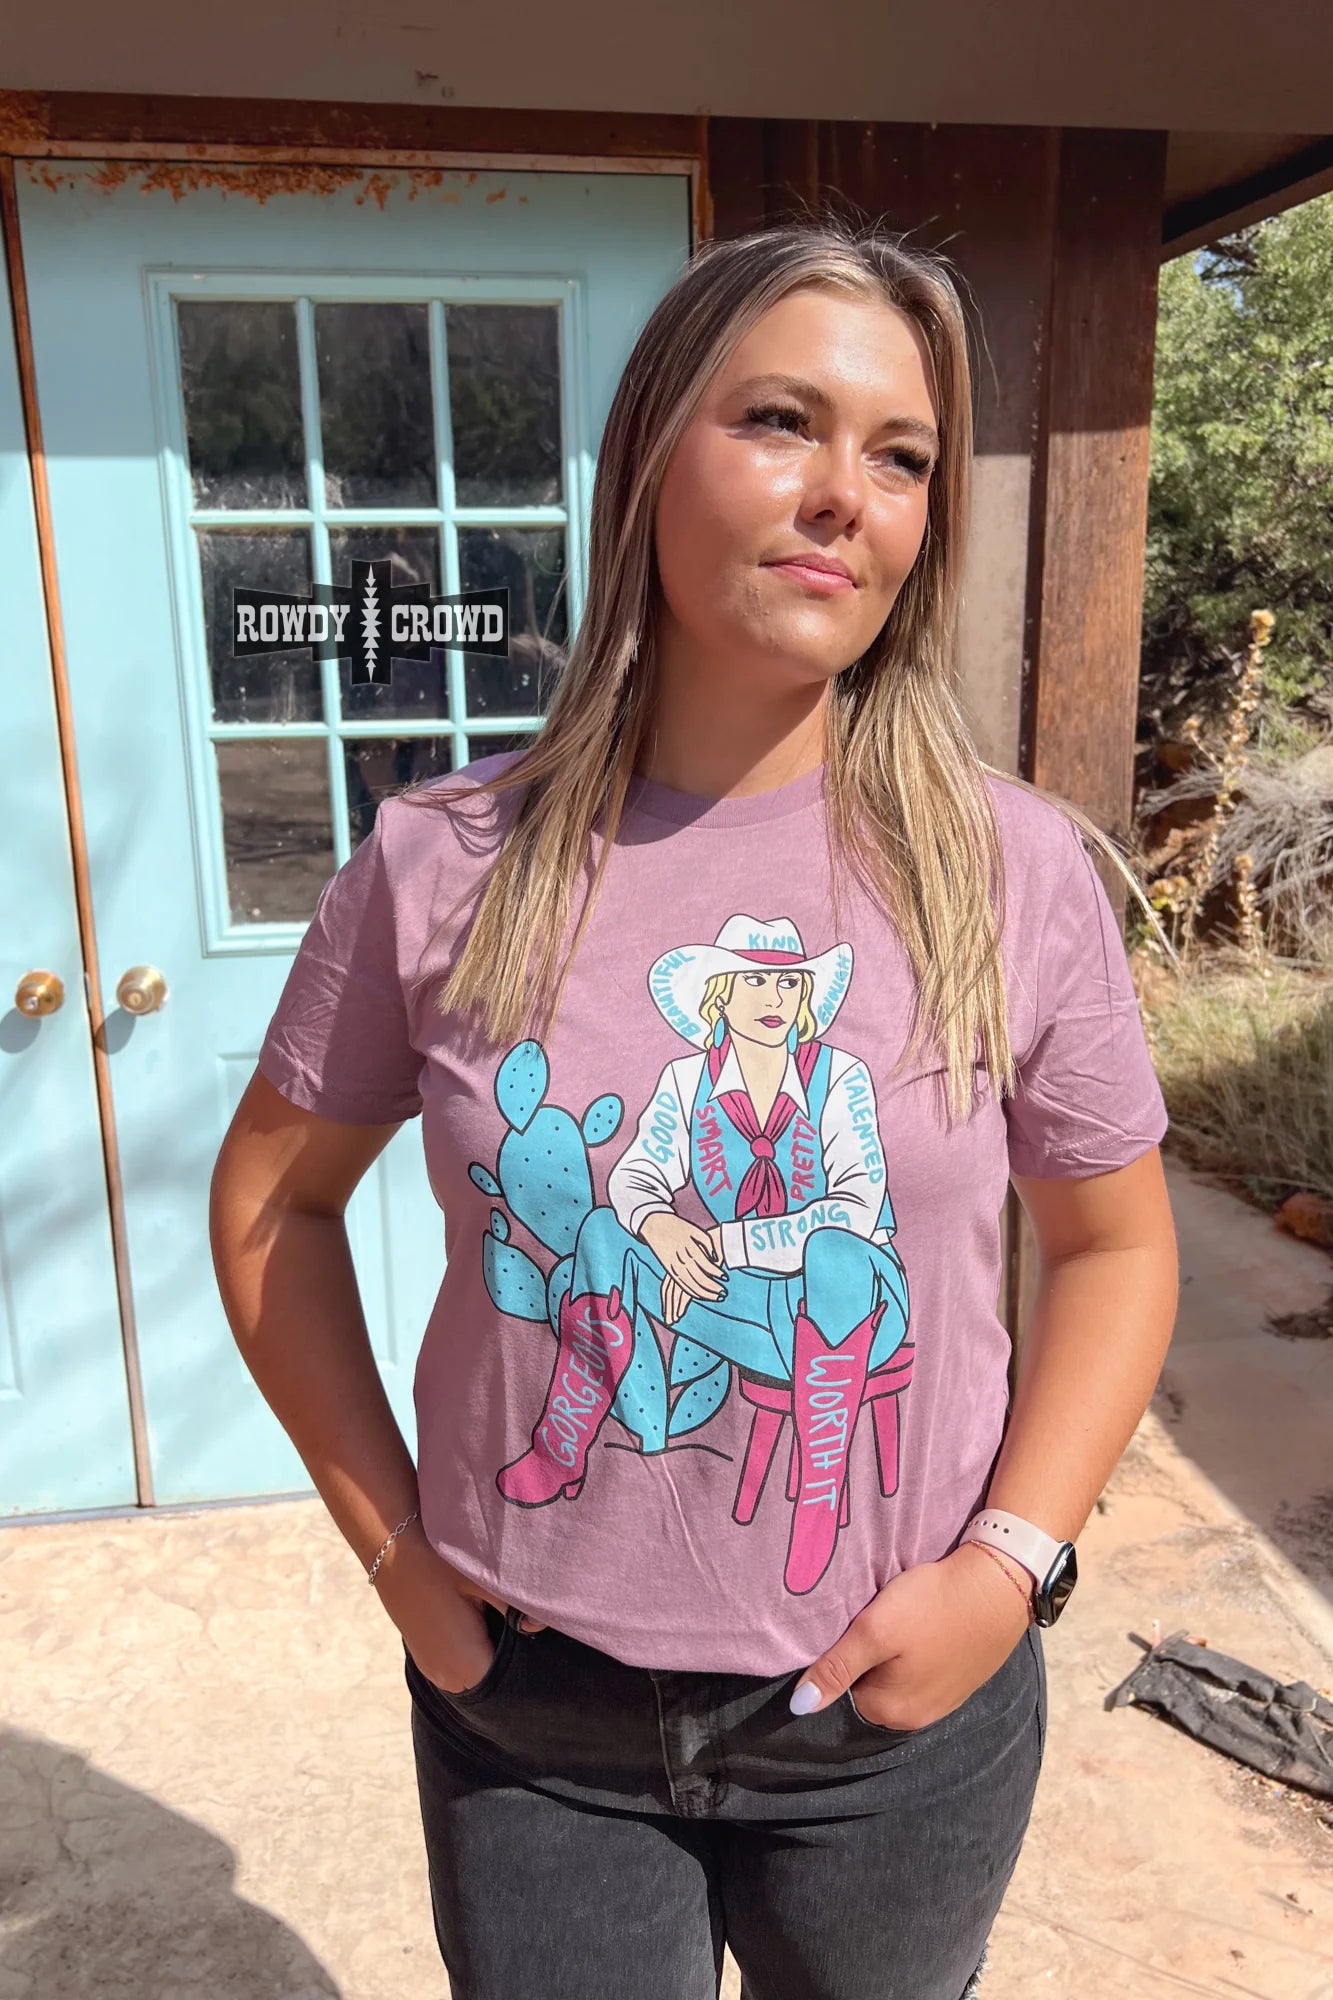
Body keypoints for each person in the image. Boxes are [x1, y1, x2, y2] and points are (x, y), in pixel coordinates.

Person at [210, 214, 1180, 2000]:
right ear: (652, 452)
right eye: (780, 422)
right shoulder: (444, 863)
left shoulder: (1009, 872)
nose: (843, 495)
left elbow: (1113, 1247)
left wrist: (1008, 1567)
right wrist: (399, 1559)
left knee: (828, 1290)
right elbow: (273, 1204)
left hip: (885, 1726)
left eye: (900, 457)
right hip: (532, 1715)